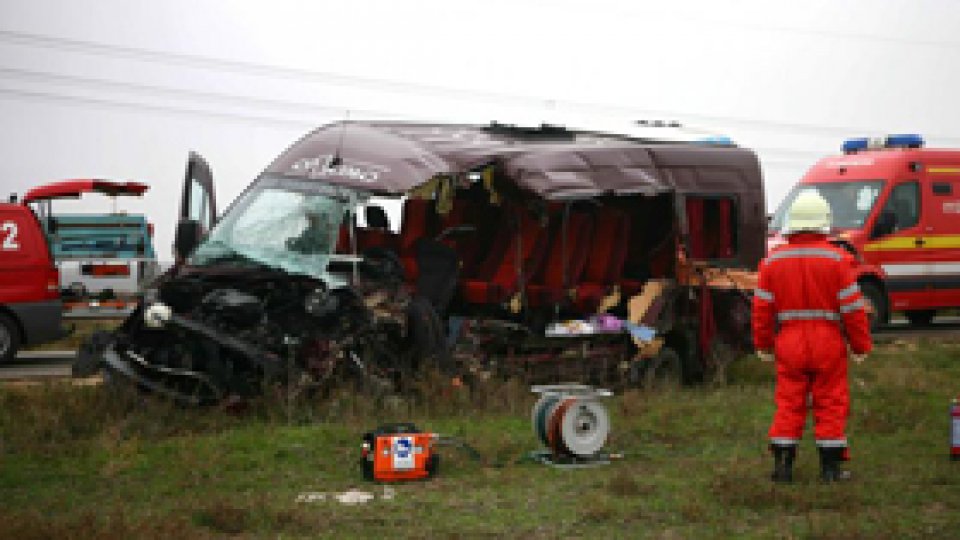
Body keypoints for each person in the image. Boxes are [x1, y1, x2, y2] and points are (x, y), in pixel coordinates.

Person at [752, 190, 872, 483]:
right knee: (830, 402)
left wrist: (764, 344)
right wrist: (860, 345)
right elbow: (853, 310)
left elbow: (761, 310)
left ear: (792, 224)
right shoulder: (838, 260)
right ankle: (830, 470)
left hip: (790, 341)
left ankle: (783, 468)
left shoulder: (771, 263)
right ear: (824, 224)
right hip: (828, 342)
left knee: (789, 402)